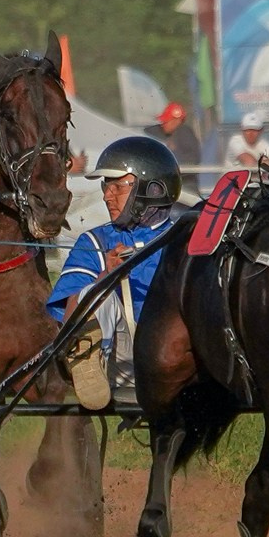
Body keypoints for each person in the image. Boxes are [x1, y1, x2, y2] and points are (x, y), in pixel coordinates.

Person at [49, 136, 182, 410]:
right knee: (94, 293)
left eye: (117, 186)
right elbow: (68, 317)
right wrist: (106, 277)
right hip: (119, 361)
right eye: (105, 187)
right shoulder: (95, 243)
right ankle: (88, 360)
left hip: (180, 357)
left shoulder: (185, 241)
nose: (106, 195)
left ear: (151, 189)